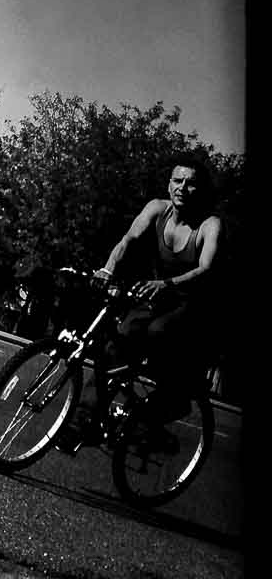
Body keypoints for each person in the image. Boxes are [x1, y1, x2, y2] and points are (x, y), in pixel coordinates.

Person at [93, 156, 224, 420]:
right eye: (178, 180)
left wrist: (166, 284)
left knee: (157, 331)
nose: (182, 188)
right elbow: (128, 239)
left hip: (190, 303)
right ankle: (87, 419)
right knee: (116, 342)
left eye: (191, 183)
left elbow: (205, 268)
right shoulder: (157, 208)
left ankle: (170, 399)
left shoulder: (210, 224)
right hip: (156, 296)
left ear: (201, 190)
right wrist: (108, 268)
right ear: (169, 184)